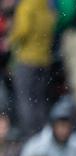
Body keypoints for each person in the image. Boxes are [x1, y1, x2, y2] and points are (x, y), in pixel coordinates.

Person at [8, 0, 56, 138]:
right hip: (44, 59)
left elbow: (23, 30)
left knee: (25, 99)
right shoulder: (46, 4)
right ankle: (42, 134)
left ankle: (30, 135)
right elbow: (52, 24)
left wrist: (10, 39)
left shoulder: (27, 4)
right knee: (39, 99)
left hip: (26, 59)